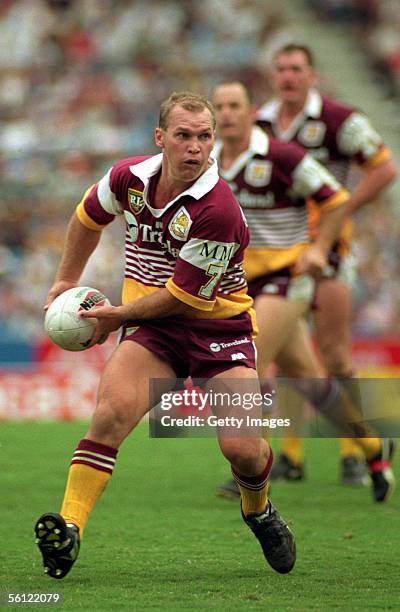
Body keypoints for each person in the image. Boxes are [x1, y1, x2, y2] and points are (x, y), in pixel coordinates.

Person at [34, 92, 296, 580]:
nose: (195, 148)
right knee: (110, 416)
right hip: (154, 330)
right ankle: (69, 528)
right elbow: (88, 217)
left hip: (220, 329)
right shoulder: (128, 178)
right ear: (161, 138)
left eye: (204, 137)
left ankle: (258, 510)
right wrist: (66, 281)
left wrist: (114, 315)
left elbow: (182, 297)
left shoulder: (219, 209)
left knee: (243, 449)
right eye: (183, 136)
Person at [211, 81, 395, 502]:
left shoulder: (282, 155)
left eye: (234, 105)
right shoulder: (209, 162)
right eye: (219, 106)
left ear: (250, 110)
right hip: (241, 281)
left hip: (288, 276)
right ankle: (372, 448)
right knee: (311, 381)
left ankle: (250, 464)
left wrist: (318, 248)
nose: (226, 114)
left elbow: (334, 198)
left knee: (248, 364)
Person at [256, 43, 397, 485]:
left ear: (313, 74)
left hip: (329, 252)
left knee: (334, 353)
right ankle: (290, 458)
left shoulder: (338, 119)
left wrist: (344, 209)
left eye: (296, 68)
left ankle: (356, 451)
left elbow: (383, 167)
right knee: (279, 353)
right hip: (281, 254)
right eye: (281, 69)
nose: (288, 76)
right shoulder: (260, 122)